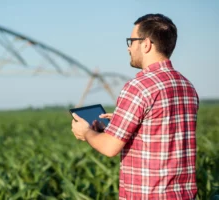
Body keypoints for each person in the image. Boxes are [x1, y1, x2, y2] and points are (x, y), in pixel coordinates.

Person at [71, 13, 199, 200]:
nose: (129, 48)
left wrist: (86, 132)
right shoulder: (186, 85)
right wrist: (121, 121)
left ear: (146, 44)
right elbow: (163, 127)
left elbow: (109, 148)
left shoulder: (138, 86)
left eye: (131, 41)